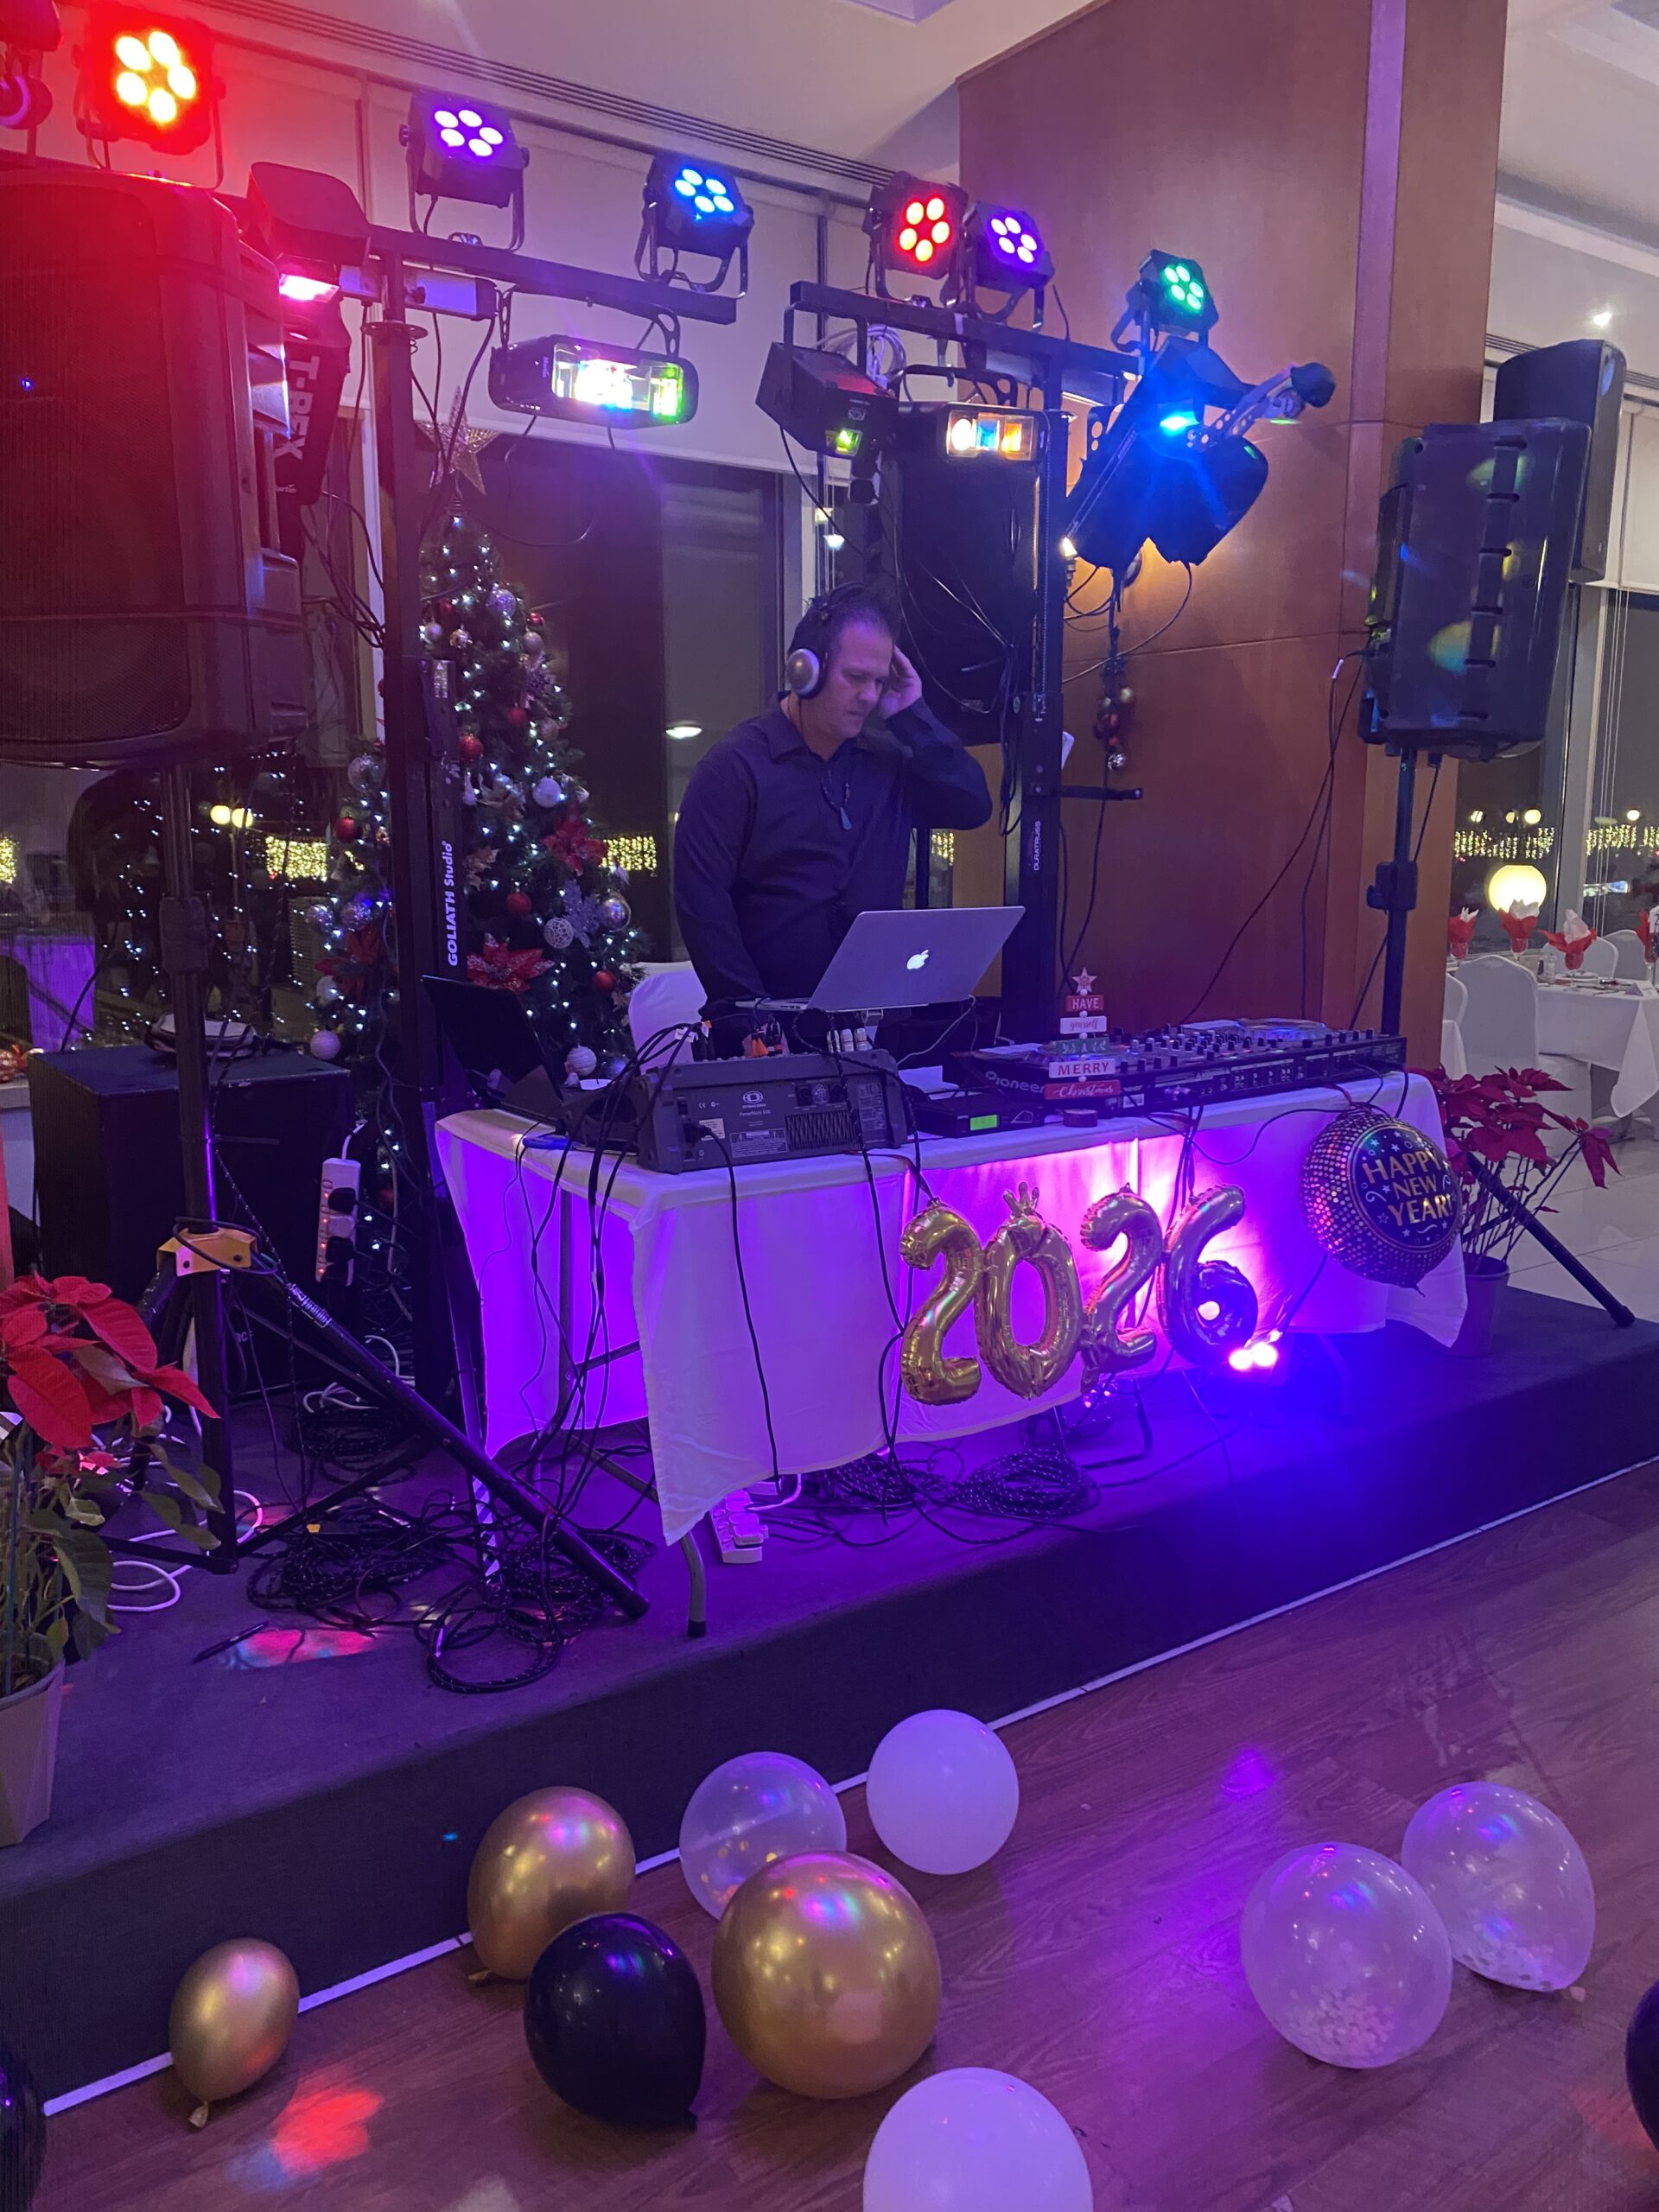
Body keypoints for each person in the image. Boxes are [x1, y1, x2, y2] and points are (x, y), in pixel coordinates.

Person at [672, 583, 993, 1010]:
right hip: (769, 1027)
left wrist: (913, 716)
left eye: (879, 682)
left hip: (873, 1024)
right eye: (856, 677)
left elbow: (973, 805)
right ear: (805, 671)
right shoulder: (733, 769)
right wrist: (754, 1017)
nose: (869, 696)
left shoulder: (887, 763)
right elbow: (704, 910)